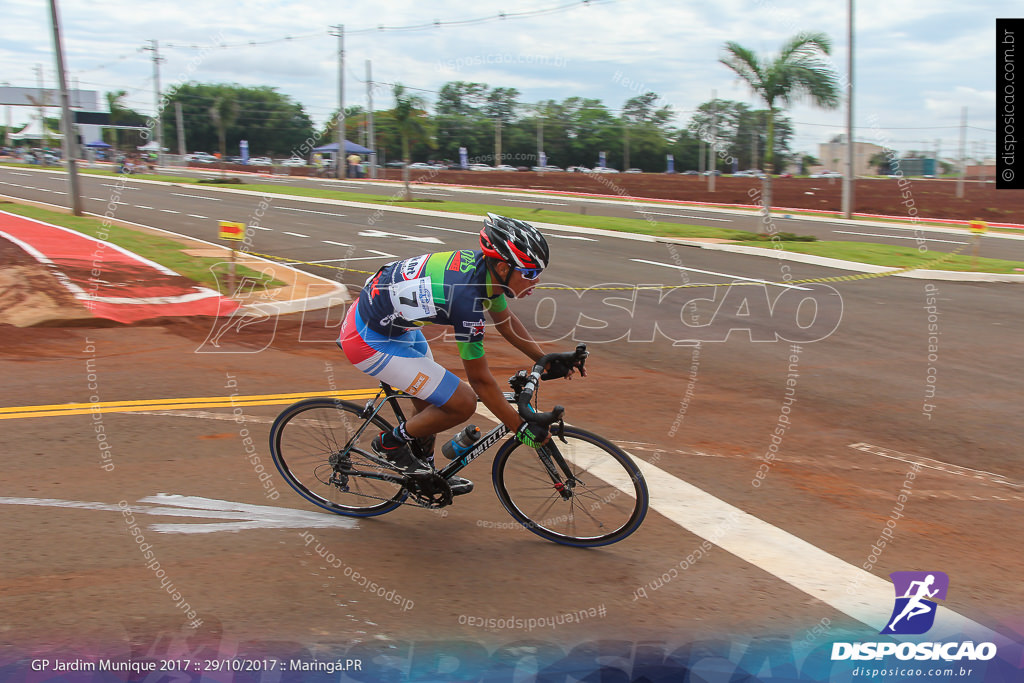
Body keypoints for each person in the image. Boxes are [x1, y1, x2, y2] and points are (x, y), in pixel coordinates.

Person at [338, 213, 584, 495]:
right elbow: (480, 381)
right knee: (463, 402)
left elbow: (505, 321)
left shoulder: (485, 271)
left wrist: (544, 359)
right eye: (529, 274)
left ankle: (424, 473)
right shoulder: (465, 298)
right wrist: (520, 427)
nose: (535, 281)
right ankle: (390, 442)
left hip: (390, 324)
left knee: (433, 401)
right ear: (503, 268)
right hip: (369, 340)